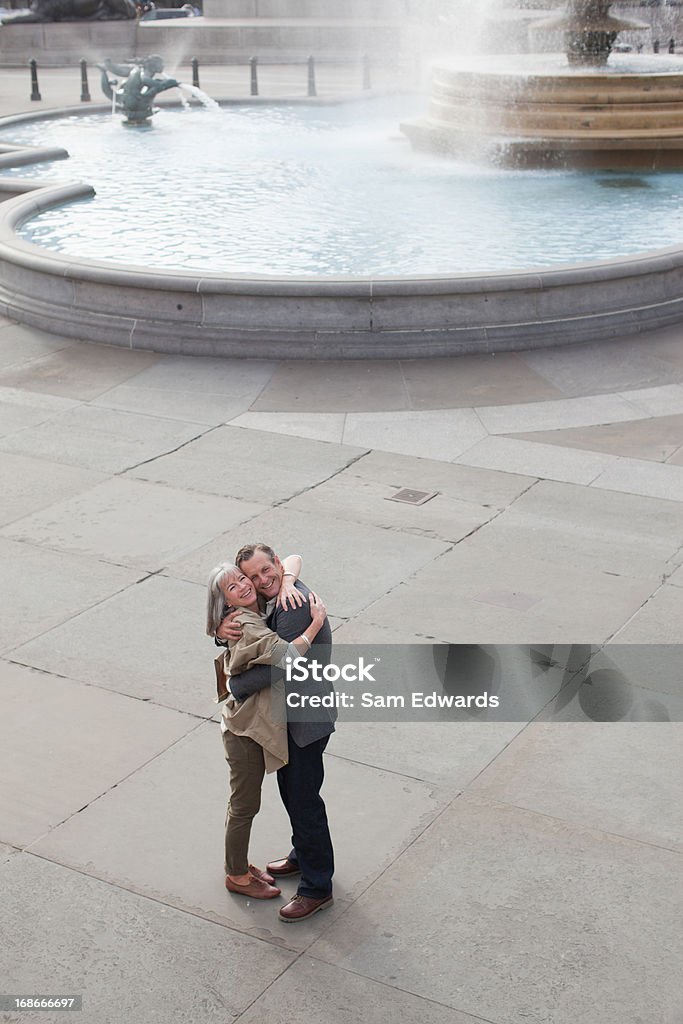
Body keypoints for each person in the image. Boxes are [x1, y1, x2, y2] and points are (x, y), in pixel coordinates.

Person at [216, 543, 336, 923]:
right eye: (254, 576)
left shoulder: (293, 605)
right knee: (293, 793)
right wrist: (222, 633)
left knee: (304, 800)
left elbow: (279, 666)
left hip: (305, 720)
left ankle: (317, 887)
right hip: (289, 718)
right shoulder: (276, 594)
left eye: (269, 571)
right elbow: (252, 636)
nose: (263, 580)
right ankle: (304, 856)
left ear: (276, 565)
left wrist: (235, 686)